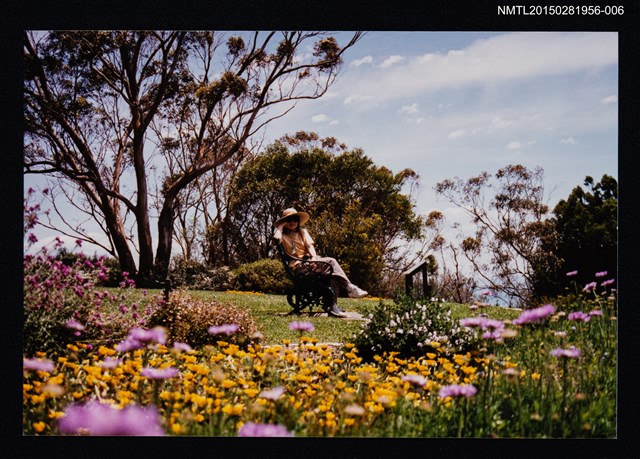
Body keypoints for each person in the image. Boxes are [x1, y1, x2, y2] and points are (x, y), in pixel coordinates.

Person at [272, 207, 368, 317]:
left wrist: (313, 258)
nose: (292, 222)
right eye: (289, 220)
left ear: (298, 221)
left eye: (295, 219)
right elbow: (275, 241)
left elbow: (310, 246)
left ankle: (333, 307)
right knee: (331, 261)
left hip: (311, 261)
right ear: (285, 222)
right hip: (299, 267)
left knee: (332, 273)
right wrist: (280, 226)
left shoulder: (303, 232)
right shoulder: (282, 235)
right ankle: (350, 288)